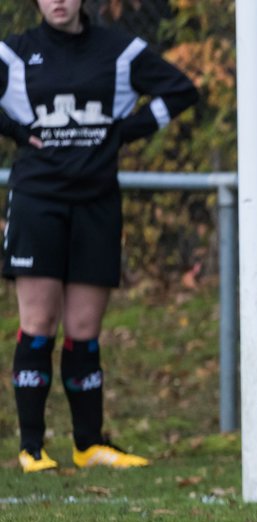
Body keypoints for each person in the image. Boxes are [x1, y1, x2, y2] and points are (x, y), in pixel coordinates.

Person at [1, 0, 198, 473]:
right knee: (38, 323)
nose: (59, 1)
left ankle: (88, 444)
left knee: (85, 330)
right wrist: (15, 130)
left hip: (96, 203)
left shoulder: (120, 50)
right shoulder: (14, 52)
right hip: (38, 201)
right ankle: (32, 448)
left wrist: (125, 131)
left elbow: (181, 91)